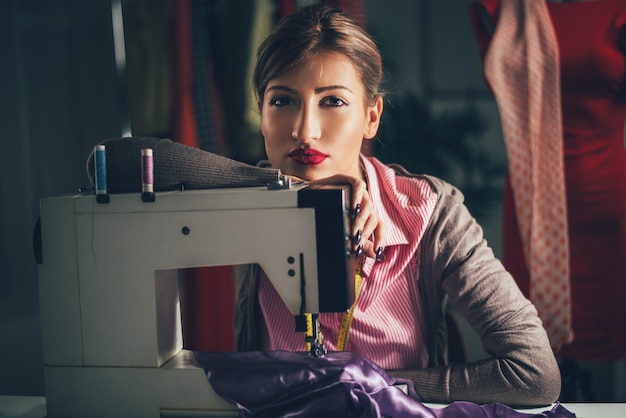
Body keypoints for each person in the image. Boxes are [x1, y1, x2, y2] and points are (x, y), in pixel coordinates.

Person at [232, 4, 561, 407]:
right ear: (260, 113)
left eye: (332, 102)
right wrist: (275, 186)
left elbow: (535, 373)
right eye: (282, 101)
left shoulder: (430, 214)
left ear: (372, 117)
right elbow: (133, 162)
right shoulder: (242, 202)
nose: (305, 131)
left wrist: (363, 384)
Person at [470, 0, 626, 401]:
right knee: (532, 350)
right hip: (529, 208)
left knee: (607, 356)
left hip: (604, 203)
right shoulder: (503, 8)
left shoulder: (616, 10)